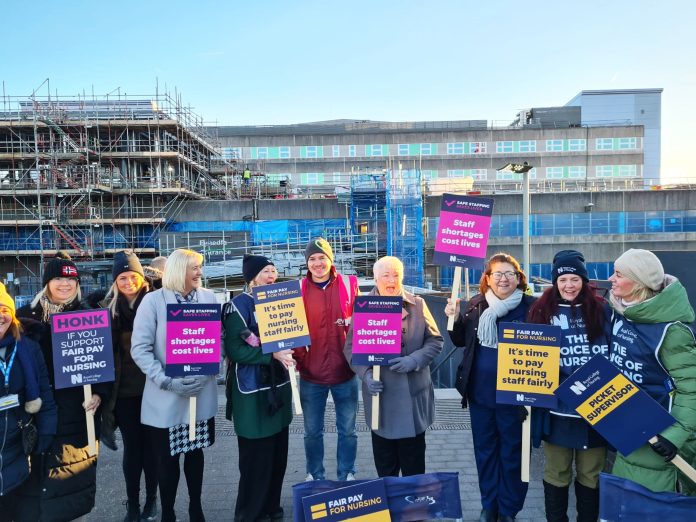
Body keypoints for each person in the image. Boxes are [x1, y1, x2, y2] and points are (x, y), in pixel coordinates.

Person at [15, 252, 110, 522]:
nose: (65, 284)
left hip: (74, 412)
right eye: (58, 278)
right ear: (47, 282)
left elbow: (103, 364)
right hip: (34, 411)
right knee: (33, 486)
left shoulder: (89, 317)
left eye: (70, 279)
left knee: (67, 485)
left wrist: (99, 395)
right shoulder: (23, 318)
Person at [444, 253, 535, 522]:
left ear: (519, 278)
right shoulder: (476, 305)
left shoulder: (533, 308)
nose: (504, 279)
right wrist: (455, 318)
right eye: (498, 274)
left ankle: (508, 510)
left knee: (512, 455)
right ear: (488, 278)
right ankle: (489, 506)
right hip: (481, 397)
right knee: (485, 454)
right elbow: (461, 341)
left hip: (516, 400)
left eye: (510, 274)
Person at [131, 249, 218, 522]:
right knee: (167, 461)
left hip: (199, 394)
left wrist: (207, 372)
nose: (200, 273)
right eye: (195, 268)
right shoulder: (153, 302)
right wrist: (167, 381)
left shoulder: (209, 297)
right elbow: (140, 349)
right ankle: (168, 512)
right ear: (180, 270)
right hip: (166, 398)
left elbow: (218, 341)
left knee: (195, 454)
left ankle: (196, 507)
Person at [527, 251, 610, 522]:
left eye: (575, 279)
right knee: (557, 472)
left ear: (584, 281)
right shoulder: (541, 310)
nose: (569, 285)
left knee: (591, 474)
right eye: (563, 279)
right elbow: (530, 358)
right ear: (555, 282)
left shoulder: (602, 309)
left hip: (596, 409)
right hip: (558, 410)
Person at [607, 248, 696, 495]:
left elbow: (691, 390)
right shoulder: (623, 314)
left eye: (618, 274)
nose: (611, 279)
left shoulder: (672, 331)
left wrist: (673, 436)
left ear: (638, 283)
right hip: (628, 430)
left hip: (659, 441)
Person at [345, 256, 443, 477]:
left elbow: (435, 341)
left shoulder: (417, 304)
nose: (391, 280)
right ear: (375, 278)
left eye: (396, 275)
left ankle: (413, 507)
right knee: (385, 465)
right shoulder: (364, 307)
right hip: (382, 397)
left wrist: (414, 360)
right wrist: (367, 375)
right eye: (385, 275)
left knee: (414, 464)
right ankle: (390, 507)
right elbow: (351, 348)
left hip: (412, 395)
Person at [223, 254, 293, 522]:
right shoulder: (237, 307)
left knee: (278, 457)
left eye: (274, 271)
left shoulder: (283, 302)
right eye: (266, 271)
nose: (271, 276)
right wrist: (270, 355)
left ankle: (272, 507)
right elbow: (235, 349)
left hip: (280, 387)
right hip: (251, 394)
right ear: (252, 278)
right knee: (256, 461)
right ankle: (249, 513)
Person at [293, 237, 360, 481]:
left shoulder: (349, 283)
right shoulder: (298, 289)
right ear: (307, 263)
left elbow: (363, 321)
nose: (317, 263)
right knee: (312, 432)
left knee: (349, 430)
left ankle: (347, 473)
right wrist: (301, 361)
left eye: (322, 257)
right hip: (312, 375)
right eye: (312, 259)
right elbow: (290, 331)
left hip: (345, 372)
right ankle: (315, 474)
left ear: (330, 259)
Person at [101, 251, 158, 522]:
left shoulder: (156, 302)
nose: (128, 282)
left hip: (154, 388)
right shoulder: (106, 309)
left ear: (140, 276)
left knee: (152, 450)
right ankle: (133, 504)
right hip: (124, 393)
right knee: (133, 450)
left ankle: (152, 500)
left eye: (132, 276)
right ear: (115, 281)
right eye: (122, 277)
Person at [0, 283, 57, 522]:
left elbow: (44, 389)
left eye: (4, 309)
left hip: (19, 444)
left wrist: (45, 434)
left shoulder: (28, 347)